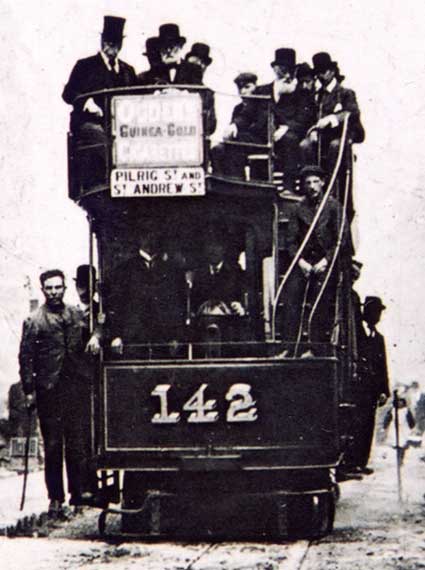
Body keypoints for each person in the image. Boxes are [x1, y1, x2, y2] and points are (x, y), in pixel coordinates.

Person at [18, 270, 90, 516]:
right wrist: (29, 391)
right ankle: (55, 498)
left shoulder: (77, 315)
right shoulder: (35, 321)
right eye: (49, 288)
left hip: (76, 388)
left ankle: (78, 496)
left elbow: (91, 336)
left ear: (64, 289)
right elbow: (26, 358)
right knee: (53, 445)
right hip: (49, 391)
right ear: (43, 291)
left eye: (58, 287)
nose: (54, 292)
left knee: (77, 445)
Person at [62, 16, 136, 186]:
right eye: (110, 41)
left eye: (117, 42)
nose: (113, 46)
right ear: (102, 41)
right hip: (92, 125)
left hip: (122, 127)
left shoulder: (128, 71)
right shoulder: (85, 66)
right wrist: (86, 102)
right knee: (101, 140)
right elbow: (68, 93)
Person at [282, 165, 348, 353]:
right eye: (308, 183)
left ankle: (316, 348)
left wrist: (325, 261)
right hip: (304, 263)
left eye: (315, 182)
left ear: (323, 183)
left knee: (320, 300)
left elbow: (341, 240)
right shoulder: (298, 208)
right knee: (292, 295)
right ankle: (289, 347)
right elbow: (291, 242)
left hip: (325, 263)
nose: (311, 186)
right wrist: (301, 262)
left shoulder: (334, 206)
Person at [108, 229, 188, 352]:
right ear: (139, 238)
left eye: (153, 234)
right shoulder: (125, 270)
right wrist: (117, 336)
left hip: (164, 342)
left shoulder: (172, 271)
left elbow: (179, 305)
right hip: (133, 340)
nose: (150, 239)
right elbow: (118, 304)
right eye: (145, 234)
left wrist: (177, 337)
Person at [300, 52, 365, 175]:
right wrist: (312, 131)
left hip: (340, 136)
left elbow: (352, 112)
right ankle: (311, 183)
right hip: (321, 136)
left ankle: (332, 188)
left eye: (323, 71)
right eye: (318, 72)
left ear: (332, 72)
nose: (320, 75)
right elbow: (311, 117)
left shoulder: (346, 93)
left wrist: (332, 118)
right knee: (305, 145)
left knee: (335, 146)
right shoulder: (317, 95)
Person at [255, 48, 308, 191]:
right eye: (280, 67)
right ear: (274, 68)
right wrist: (235, 125)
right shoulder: (261, 90)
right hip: (264, 134)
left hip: (287, 137)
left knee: (290, 140)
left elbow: (303, 118)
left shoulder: (300, 92)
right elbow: (250, 113)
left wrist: (286, 127)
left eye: (287, 68)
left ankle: (288, 188)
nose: (283, 71)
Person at [354, 296, 390, 472]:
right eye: (375, 311)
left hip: (372, 391)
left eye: (379, 312)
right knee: (358, 425)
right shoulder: (356, 333)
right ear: (366, 311)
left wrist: (384, 391)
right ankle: (354, 461)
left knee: (368, 425)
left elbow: (383, 367)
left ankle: (362, 462)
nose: (377, 315)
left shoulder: (379, 338)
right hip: (359, 388)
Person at [211, 72, 259, 177]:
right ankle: (220, 181)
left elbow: (259, 126)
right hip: (240, 141)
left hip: (258, 141)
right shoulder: (238, 108)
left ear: (255, 86)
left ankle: (237, 182)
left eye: (247, 87)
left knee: (235, 146)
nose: (243, 91)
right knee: (217, 149)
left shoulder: (261, 104)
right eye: (240, 88)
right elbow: (233, 125)